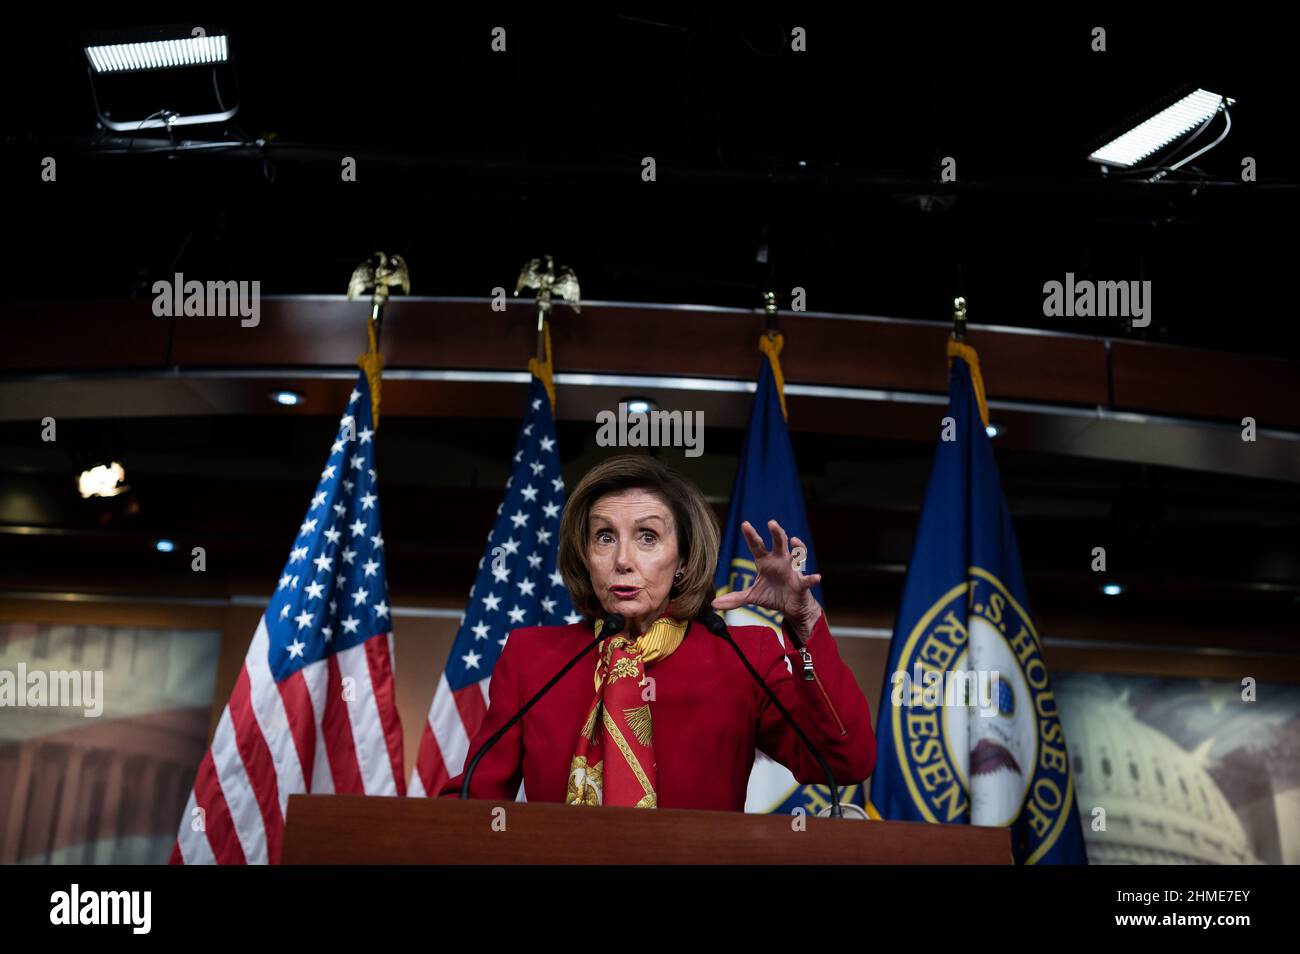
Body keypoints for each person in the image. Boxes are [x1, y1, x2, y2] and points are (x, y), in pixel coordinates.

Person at [440, 453, 875, 810]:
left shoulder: (743, 656)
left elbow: (846, 761)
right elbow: (472, 803)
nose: (623, 560)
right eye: (605, 537)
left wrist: (805, 622)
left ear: (683, 559)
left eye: (647, 537)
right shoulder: (531, 659)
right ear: (584, 555)